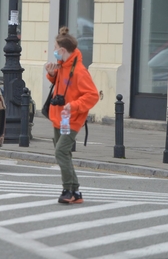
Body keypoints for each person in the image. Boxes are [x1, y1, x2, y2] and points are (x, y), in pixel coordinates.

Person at [44, 26, 98, 204]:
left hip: (71, 118)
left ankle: (68, 189)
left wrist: (73, 106)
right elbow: (63, 85)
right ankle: (75, 192)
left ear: (62, 50)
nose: (53, 51)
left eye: (55, 48)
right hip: (59, 116)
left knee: (61, 151)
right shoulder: (63, 66)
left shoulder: (80, 71)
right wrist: (52, 75)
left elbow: (92, 95)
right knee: (64, 153)